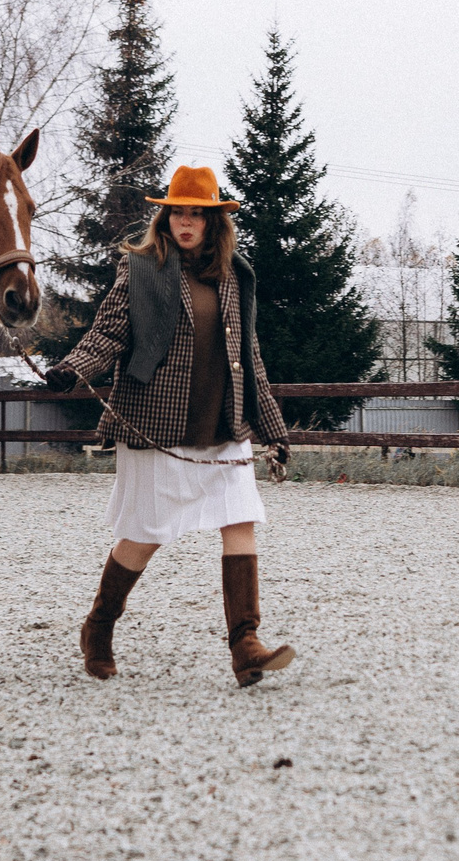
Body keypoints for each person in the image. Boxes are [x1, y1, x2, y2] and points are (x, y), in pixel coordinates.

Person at [42, 165, 296, 687]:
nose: (185, 221)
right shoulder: (141, 269)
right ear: (166, 216)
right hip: (156, 424)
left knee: (240, 520)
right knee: (142, 536)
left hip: (223, 426)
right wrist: (73, 369)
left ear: (213, 221)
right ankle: (99, 627)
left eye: (196, 213)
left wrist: (274, 430)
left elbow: (248, 357)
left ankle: (245, 644)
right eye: (177, 211)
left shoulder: (234, 275)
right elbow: (109, 333)